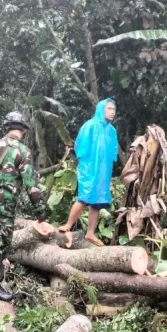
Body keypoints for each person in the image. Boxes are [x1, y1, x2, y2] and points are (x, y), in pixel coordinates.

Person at [0, 111, 48, 301]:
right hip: (4, 206)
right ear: (24, 130)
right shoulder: (22, 151)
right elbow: (30, 185)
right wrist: (41, 209)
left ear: (6, 128)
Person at [59, 98, 118, 247]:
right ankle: (68, 225)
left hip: (104, 169)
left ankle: (90, 232)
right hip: (89, 167)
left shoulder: (112, 130)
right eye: (109, 108)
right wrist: (86, 163)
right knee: (84, 196)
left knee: (97, 201)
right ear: (101, 109)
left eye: (113, 109)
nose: (112, 112)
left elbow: (113, 151)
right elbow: (80, 145)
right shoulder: (90, 125)